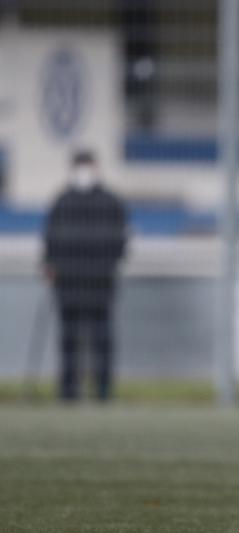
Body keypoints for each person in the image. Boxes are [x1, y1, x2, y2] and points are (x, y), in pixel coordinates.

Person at [43, 150, 128, 402]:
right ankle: (68, 392)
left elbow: (121, 243)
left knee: (101, 341)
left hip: (100, 283)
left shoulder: (111, 202)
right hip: (68, 284)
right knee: (69, 340)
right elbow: (49, 240)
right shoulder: (61, 202)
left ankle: (103, 392)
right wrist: (49, 265)